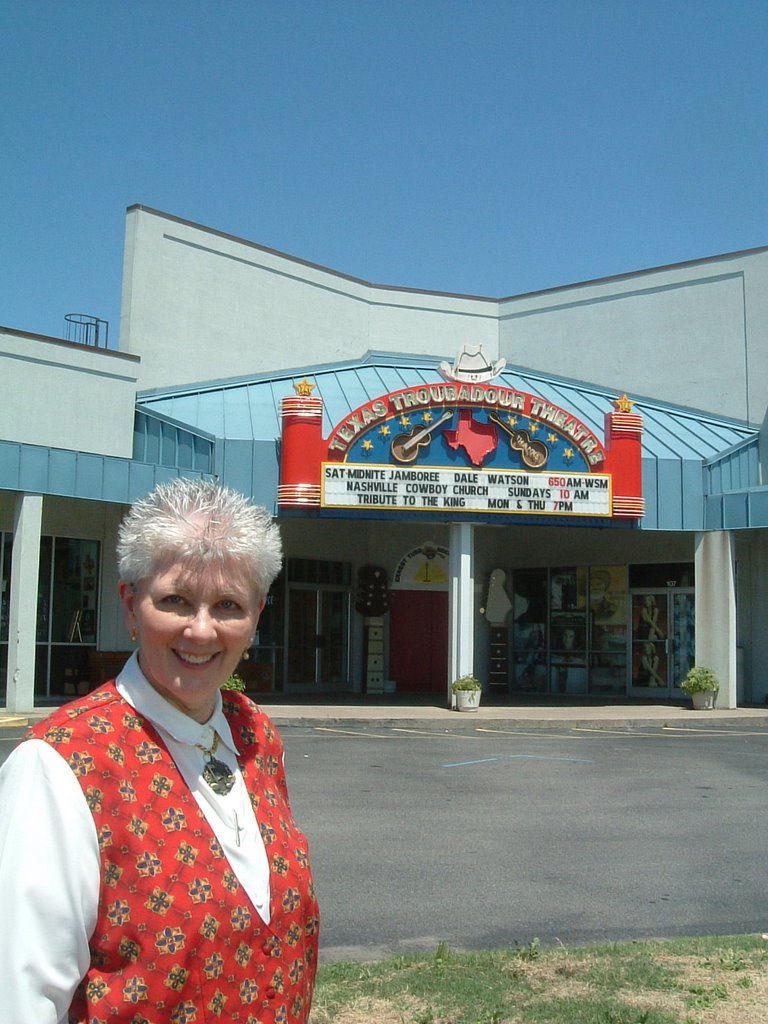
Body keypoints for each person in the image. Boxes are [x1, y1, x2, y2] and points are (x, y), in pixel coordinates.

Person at [0, 478, 319, 1024]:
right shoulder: (59, 767)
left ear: (257, 617)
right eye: (175, 600)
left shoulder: (255, 735)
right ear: (130, 605)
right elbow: (19, 997)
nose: (201, 630)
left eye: (228, 605)